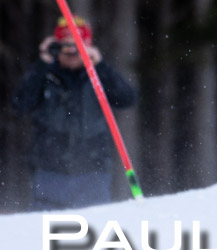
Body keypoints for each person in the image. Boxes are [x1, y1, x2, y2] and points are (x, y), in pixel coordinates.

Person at [12, 16, 136, 211]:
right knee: (43, 233)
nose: (71, 53)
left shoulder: (97, 74)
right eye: (65, 46)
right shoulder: (45, 74)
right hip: (49, 171)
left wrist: (100, 65)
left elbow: (127, 98)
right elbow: (21, 103)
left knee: (97, 228)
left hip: (92, 170)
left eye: (77, 46)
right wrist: (43, 62)